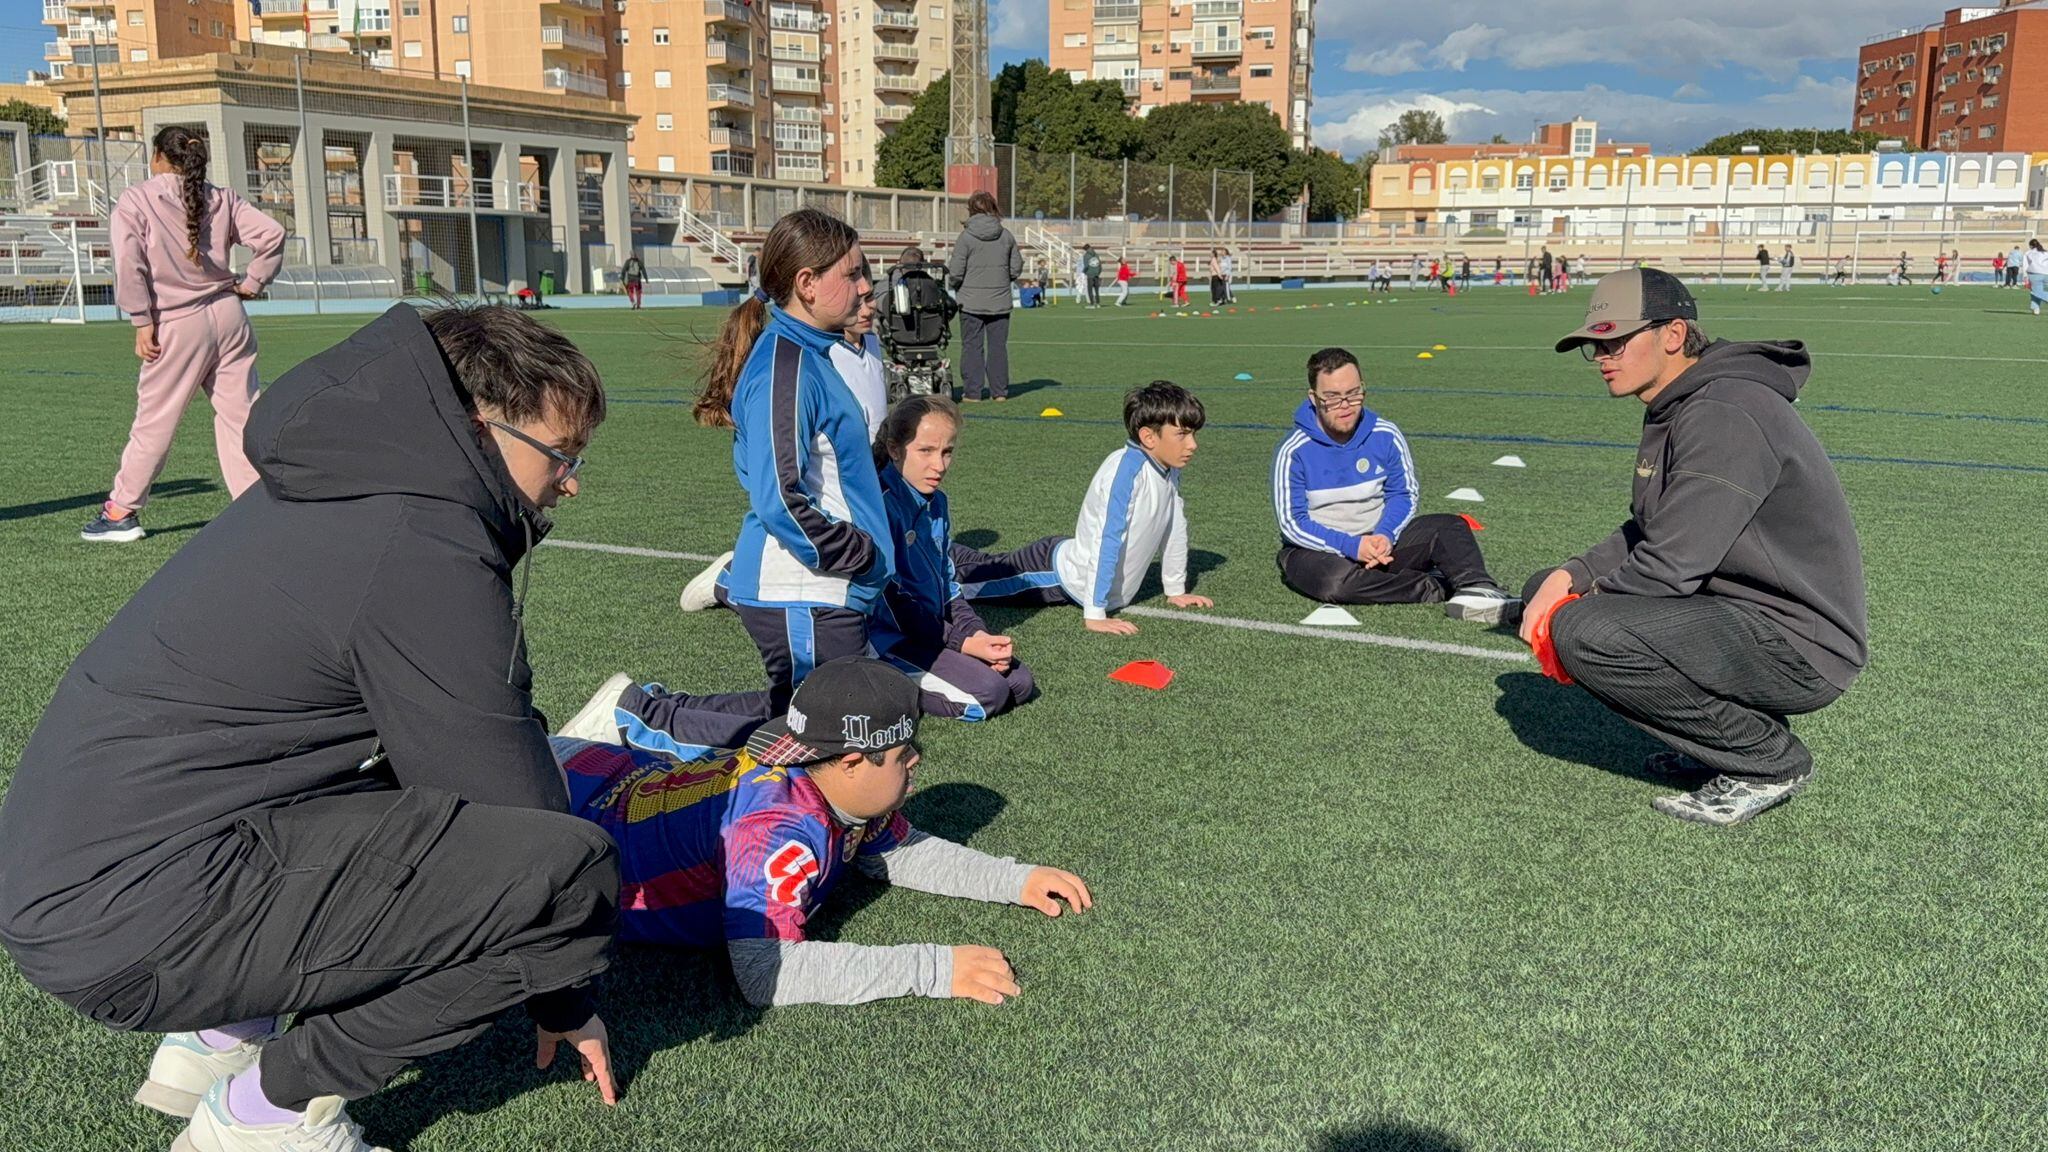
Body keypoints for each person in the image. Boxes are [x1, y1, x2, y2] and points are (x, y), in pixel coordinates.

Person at [0, 303, 621, 1152]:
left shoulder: (346, 475)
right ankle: (267, 1111)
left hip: (89, 872)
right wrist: (564, 991)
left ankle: (222, 1034)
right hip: (125, 922)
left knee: (417, 792)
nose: (572, 482)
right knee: (567, 873)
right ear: (479, 425)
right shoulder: (418, 535)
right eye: (562, 455)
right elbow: (514, 806)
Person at [1528, 269, 1868, 826]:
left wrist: (1573, 608)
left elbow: (1670, 566)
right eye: (1596, 345)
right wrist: (1570, 576)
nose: (1603, 355)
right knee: (1547, 589)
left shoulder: (1723, 411)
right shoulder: (1681, 401)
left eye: (1616, 339)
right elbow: (1651, 527)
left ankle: (1765, 759)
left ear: (1673, 333)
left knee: (1583, 631)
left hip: (1800, 644)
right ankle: (1722, 741)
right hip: (1740, 612)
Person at [553, 657, 1091, 1007]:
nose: (918, 762)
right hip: (562, 828)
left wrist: (1012, 879)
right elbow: (767, 971)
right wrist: (933, 967)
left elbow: (896, 849)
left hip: (607, 774)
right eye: (904, 755)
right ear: (853, 761)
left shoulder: (825, 775)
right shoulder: (780, 830)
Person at [692, 209, 891, 710]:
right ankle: (640, 714)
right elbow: (779, 497)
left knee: (841, 731)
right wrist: (857, 554)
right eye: (852, 273)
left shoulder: (812, 354)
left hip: (827, 593)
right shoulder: (787, 365)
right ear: (807, 283)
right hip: (805, 591)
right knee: (819, 732)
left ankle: (643, 713)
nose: (865, 285)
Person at [89, 125, 286, 543]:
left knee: (155, 422)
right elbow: (272, 234)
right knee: (243, 417)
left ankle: (121, 512)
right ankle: (258, 506)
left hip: (177, 324)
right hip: (229, 317)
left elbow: (129, 265)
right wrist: (253, 283)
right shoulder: (222, 197)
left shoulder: (136, 200)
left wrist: (141, 320)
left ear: (158, 157)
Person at [951, 381, 1213, 636]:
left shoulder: (1169, 470)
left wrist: (1176, 589)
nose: (1192, 445)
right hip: (1056, 574)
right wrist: (1096, 613)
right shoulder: (1126, 473)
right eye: (1182, 434)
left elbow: (1174, 526)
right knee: (968, 583)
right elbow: (1106, 540)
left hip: (1068, 557)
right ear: (1148, 436)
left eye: (1193, 434)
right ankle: (927, 554)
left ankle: (945, 550)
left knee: (985, 563)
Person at [1274, 348, 1516, 622]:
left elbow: (1403, 494)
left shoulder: (1385, 434)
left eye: (1354, 393)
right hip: (1321, 552)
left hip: (1381, 541)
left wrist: (1385, 534)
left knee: (1449, 526)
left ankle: (1479, 589)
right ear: (1314, 398)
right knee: (1335, 583)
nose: (1345, 405)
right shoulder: (1294, 451)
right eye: (1332, 397)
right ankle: (1433, 586)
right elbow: (1293, 523)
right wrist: (1352, 546)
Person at [870, 395, 1037, 720]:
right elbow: (893, 604)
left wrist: (977, 634)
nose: (940, 465)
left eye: (947, 451)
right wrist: (962, 643)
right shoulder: (879, 506)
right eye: (926, 451)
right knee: (987, 695)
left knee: (1020, 683)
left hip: (933, 630)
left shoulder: (937, 503)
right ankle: (885, 678)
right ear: (894, 449)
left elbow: (948, 586)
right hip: (890, 636)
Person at [947, 191, 1021, 402]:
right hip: (1000, 301)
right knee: (998, 347)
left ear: (971, 209)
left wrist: (956, 285)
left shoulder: (966, 237)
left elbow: (956, 271)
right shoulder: (1006, 236)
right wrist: (1002, 279)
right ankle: (999, 392)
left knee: (972, 346)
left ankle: (973, 392)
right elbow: (1016, 267)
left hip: (970, 302)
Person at [830, 271, 887, 440]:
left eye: (869, 297)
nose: (866, 311)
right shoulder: (824, 353)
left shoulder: (872, 340)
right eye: (855, 302)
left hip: (880, 460)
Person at [2024, 238, 2048, 315]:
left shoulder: (2028, 253)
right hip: (2046, 274)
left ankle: (2036, 308)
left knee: (2035, 292)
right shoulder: (2045, 253)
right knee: (2038, 292)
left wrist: (2025, 277)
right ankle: (2035, 309)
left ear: (2030, 246)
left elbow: (2025, 266)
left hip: (2034, 275)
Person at [1081, 243, 1102, 308]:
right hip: (1096, 275)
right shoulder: (1096, 254)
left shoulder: (1086, 256)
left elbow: (1086, 266)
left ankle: (1092, 304)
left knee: (1090, 290)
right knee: (1096, 290)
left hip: (1090, 275)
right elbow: (1100, 265)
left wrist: (1084, 271)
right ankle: (1098, 304)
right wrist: (1098, 272)